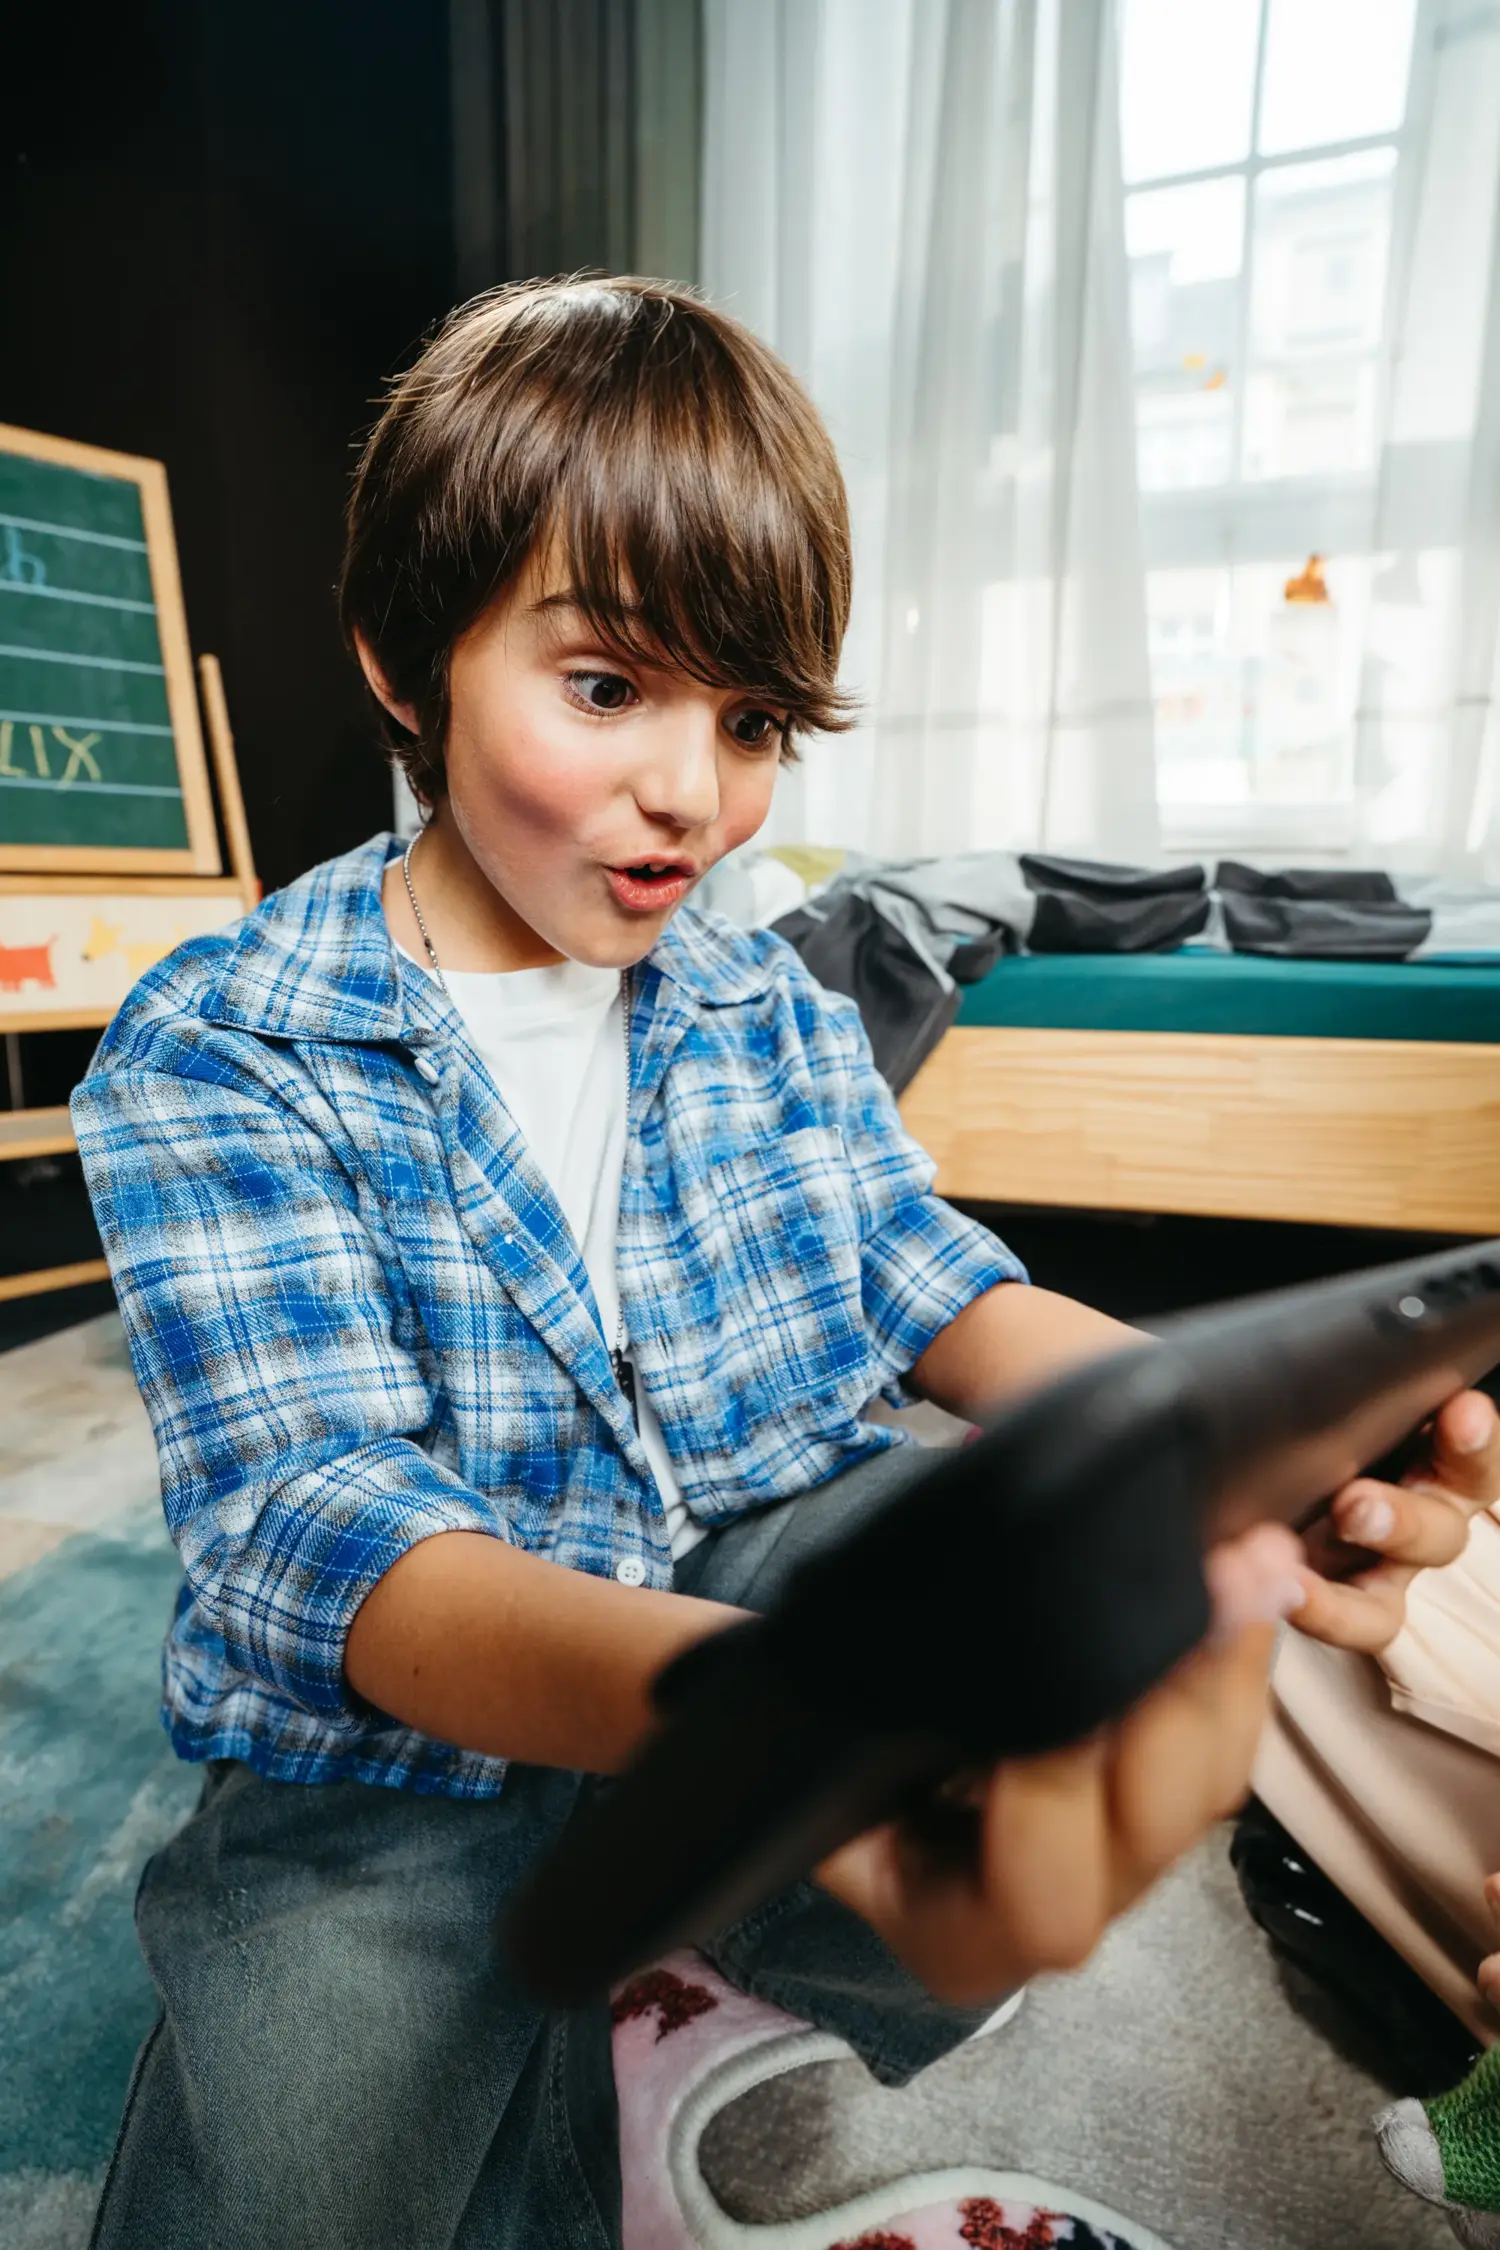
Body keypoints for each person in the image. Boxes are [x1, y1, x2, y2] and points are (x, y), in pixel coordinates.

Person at [70, 277, 1500, 2250]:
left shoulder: (759, 1000)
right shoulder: (226, 1041)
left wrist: (1228, 1453)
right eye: (606, 688)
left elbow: (936, 1292)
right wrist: (773, 1721)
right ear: (409, 657)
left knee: (957, 1562)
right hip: (396, 1767)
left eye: (749, 722)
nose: (694, 790)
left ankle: (689, 1968)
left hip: (754, 1621)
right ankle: (604, 2032)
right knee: (318, 2189)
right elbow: (333, 1541)